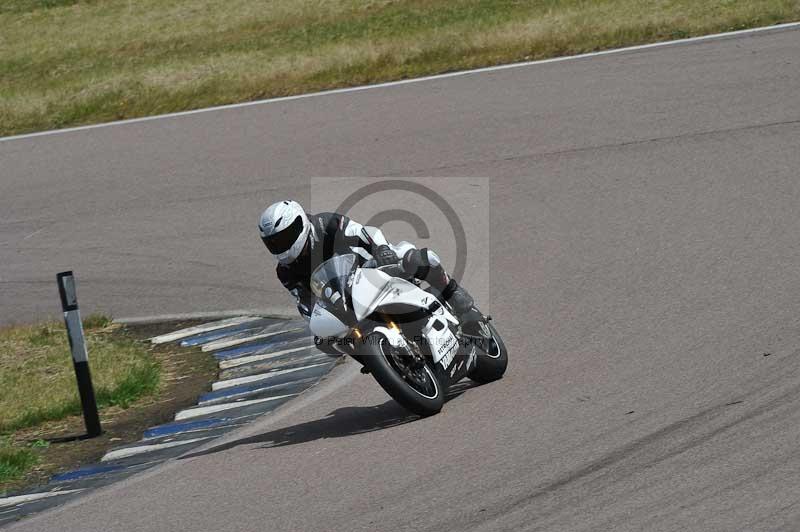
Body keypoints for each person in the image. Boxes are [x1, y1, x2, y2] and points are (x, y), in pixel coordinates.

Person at [258, 200, 475, 323]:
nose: (282, 246)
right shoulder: (285, 271)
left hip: (373, 269)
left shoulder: (325, 224)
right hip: (347, 302)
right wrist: (316, 321)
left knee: (411, 256)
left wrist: (381, 249)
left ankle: (451, 290)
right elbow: (304, 302)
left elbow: (364, 232)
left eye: (285, 238)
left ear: (300, 223)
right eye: (274, 243)